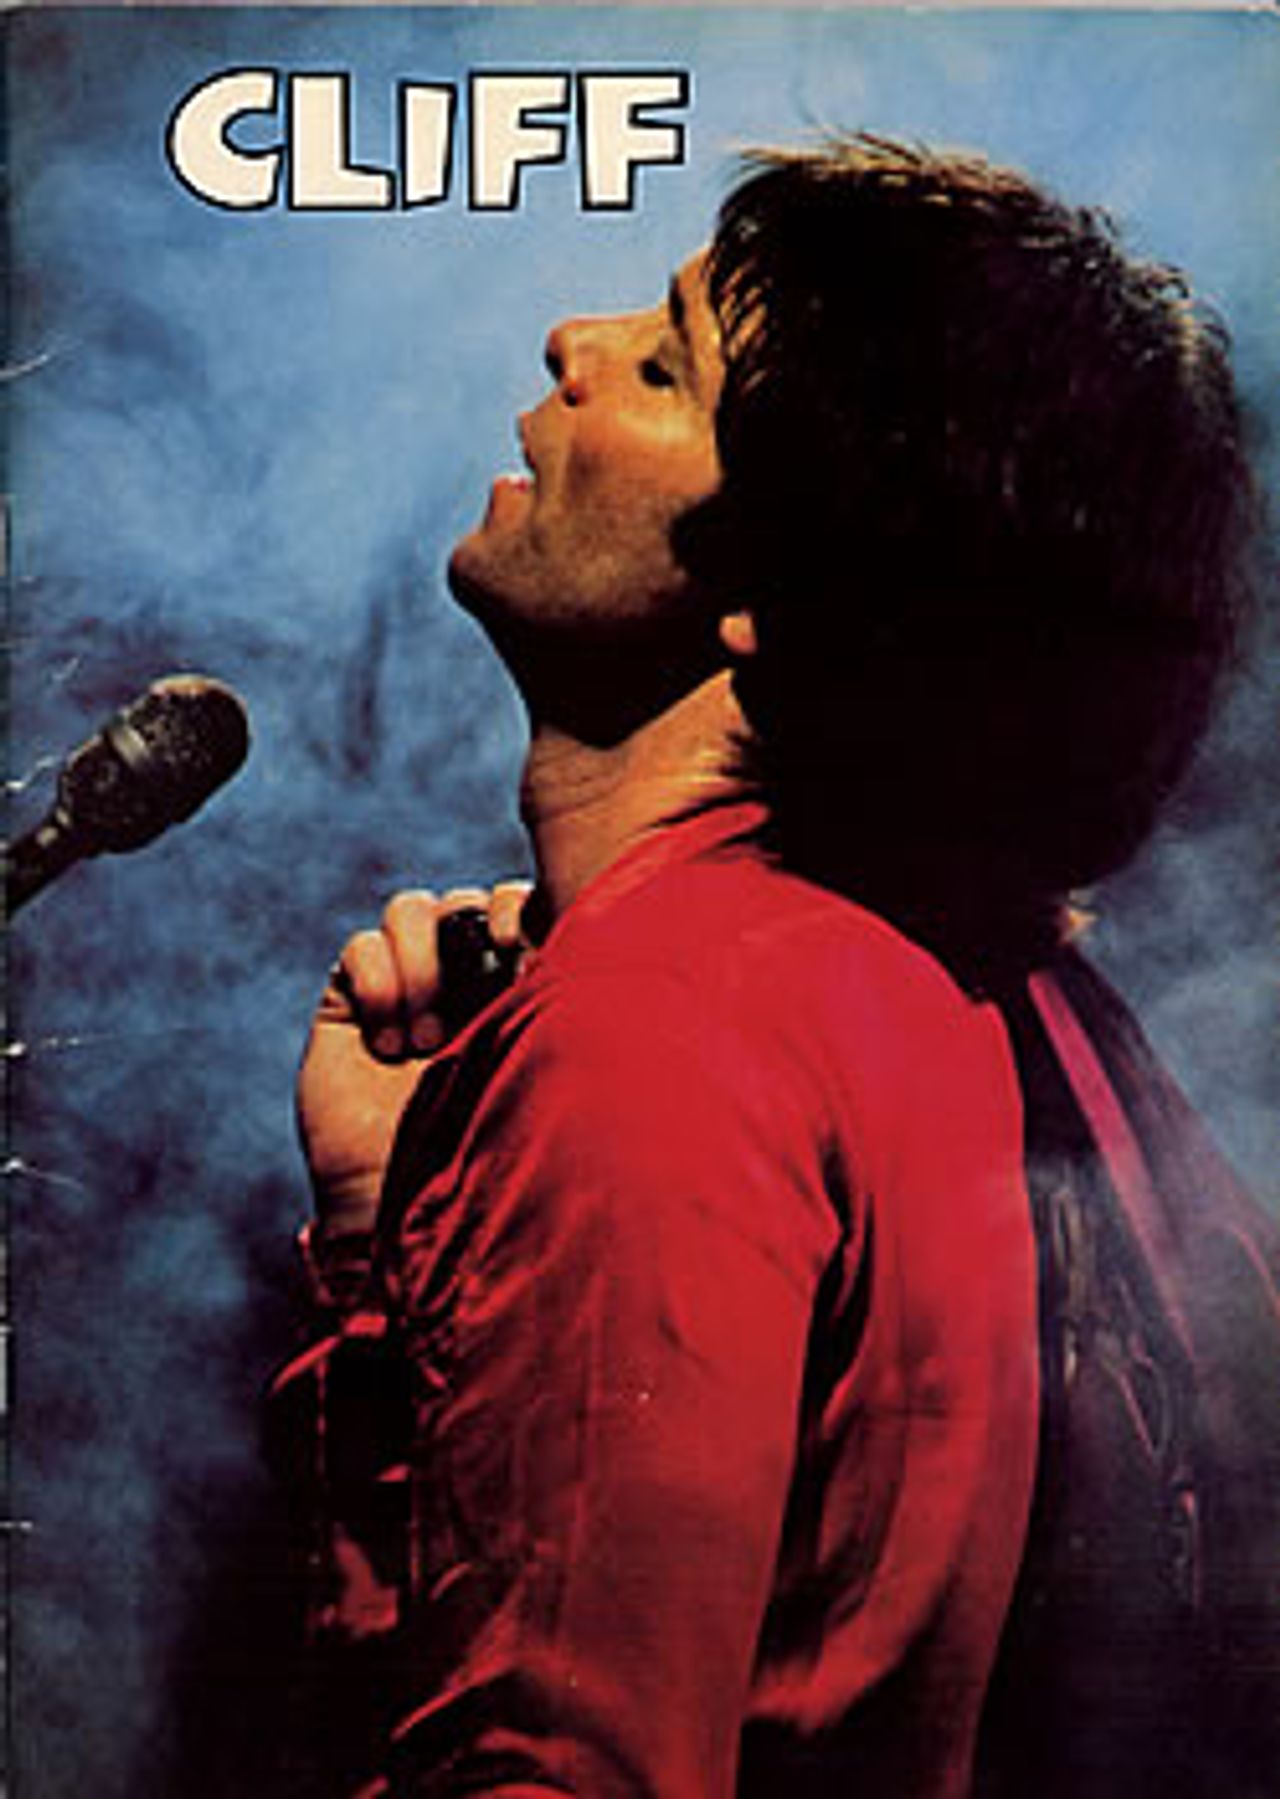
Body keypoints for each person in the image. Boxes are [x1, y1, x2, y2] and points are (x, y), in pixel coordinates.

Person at [273, 138, 1278, 1797]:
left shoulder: (657, 1026)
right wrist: (399, 1243)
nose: (571, 343)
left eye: (667, 366)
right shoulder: (1044, 1022)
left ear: (780, 581)